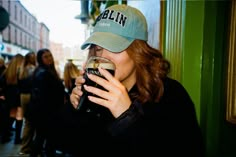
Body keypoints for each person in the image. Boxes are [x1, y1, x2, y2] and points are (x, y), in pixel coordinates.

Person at [70, 4, 205, 157]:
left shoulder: (171, 95)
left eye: (114, 46)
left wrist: (127, 119)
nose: (104, 57)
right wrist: (74, 108)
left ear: (138, 51)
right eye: (99, 48)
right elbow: (76, 145)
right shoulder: (95, 93)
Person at [27, 49, 65, 157]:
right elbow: (44, 96)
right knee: (45, 139)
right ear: (40, 59)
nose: (49, 58)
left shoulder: (45, 71)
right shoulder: (43, 73)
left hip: (45, 112)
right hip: (46, 113)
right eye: (46, 57)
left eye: (50, 56)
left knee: (43, 138)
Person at [0, 54, 24, 144]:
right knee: (19, 117)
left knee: (10, 117)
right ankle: (17, 139)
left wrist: (2, 94)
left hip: (9, 97)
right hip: (18, 97)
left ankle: (4, 136)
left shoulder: (6, 72)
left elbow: (1, 84)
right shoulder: (21, 72)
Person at [18, 51, 36, 155]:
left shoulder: (21, 69)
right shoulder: (33, 69)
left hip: (22, 96)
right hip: (30, 96)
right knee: (31, 123)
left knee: (27, 122)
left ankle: (24, 147)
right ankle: (26, 147)